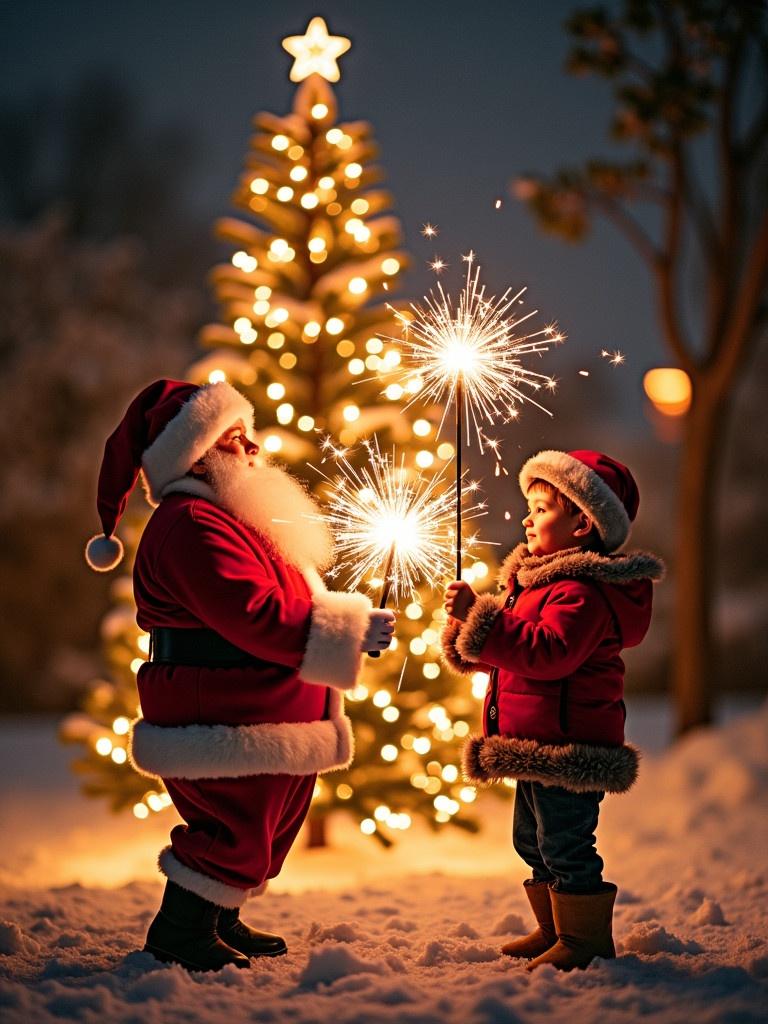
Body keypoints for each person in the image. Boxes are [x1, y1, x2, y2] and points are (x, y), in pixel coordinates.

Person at [85, 378, 395, 972]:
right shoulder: (190, 526)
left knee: (269, 821)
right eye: (234, 439)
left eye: (248, 436)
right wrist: (347, 631)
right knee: (235, 821)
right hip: (223, 708)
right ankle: (181, 930)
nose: (252, 450)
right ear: (196, 454)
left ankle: (219, 916)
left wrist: (343, 627)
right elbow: (251, 613)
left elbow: (283, 599)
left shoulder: (232, 519)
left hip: (261, 704)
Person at [442, 449, 664, 971]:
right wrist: (467, 630)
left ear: (583, 523)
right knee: (531, 839)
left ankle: (584, 939)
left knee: (564, 842)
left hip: (568, 742)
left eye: (541, 508)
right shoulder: (534, 586)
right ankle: (554, 928)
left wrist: (484, 619)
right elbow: (512, 659)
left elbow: (547, 654)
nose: (527, 518)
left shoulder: (582, 593)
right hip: (534, 738)